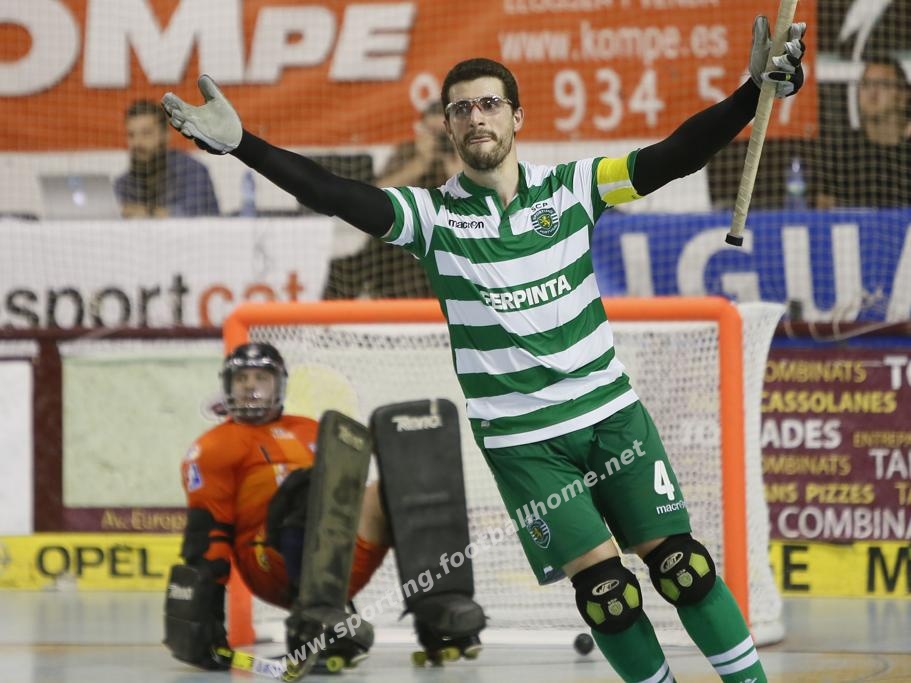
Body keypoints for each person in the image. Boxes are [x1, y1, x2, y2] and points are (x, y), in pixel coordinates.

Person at [161, 15, 807, 681]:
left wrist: (750, 93)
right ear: (448, 126)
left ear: (516, 117)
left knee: (682, 566)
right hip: (525, 442)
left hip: (611, 416)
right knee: (606, 595)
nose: (476, 117)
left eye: (490, 104)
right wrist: (244, 145)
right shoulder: (431, 218)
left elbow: (675, 154)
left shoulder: (575, 187)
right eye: (461, 108)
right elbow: (330, 193)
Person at [164, 342, 391, 670]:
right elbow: (208, 536)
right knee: (307, 484)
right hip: (269, 562)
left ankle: (441, 612)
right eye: (241, 379)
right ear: (227, 386)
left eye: (261, 378)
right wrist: (201, 623)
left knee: (394, 483)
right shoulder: (212, 447)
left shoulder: (313, 429)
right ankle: (308, 621)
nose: (250, 386)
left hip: (338, 558)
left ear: (279, 385)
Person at [323, 102, 459, 299]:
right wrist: (420, 163)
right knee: (345, 267)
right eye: (432, 132)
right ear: (420, 131)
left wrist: (455, 170)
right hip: (397, 247)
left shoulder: (467, 156)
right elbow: (376, 196)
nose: (439, 139)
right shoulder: (408, 152)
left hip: (447, 240)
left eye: (444, 133)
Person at [816, 56, 911, 208]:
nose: (872, 93)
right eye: (866, 84)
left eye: (883, 84)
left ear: (903, 95)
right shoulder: (842, 152)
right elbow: (824, 206)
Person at [115, 99, 220, 218]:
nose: (137, 142)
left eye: (146, 133)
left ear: (166, 135)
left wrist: (147, 213)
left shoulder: (193, 172)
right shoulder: (123, 184)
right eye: (131, 135)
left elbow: (194, 217)